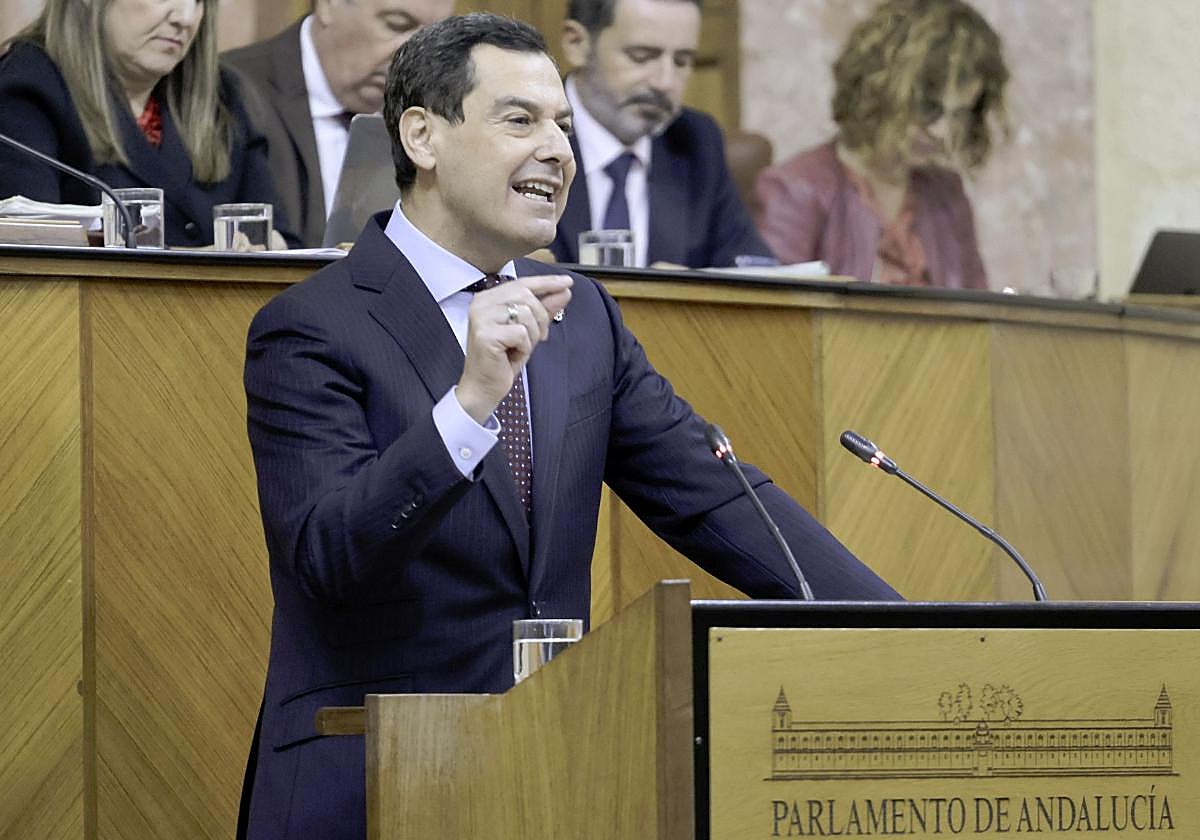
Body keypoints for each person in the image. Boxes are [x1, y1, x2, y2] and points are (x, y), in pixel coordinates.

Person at [240, 12, 899, 838]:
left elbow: (720, 500)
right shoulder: (312, 327)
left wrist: (909, 633)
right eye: (520, 120)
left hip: (554, 779)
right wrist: (468, 405)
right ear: (422, 137)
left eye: (561, 123)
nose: (558, 149)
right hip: (367, 785)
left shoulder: (581, 319)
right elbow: (328, 559)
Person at [0, 0, 293, 249]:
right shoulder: (29, 86)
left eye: (199, 0)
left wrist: (259, 246)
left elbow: (280, 238)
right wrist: (200, 266)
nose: (185, 18)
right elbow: (33, 254)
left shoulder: (222, 96)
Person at [755, 0, 1008, 288]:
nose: (942, 132)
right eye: (928, 108)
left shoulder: (948, 194)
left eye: (960, 114)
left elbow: (979, 317)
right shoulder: (795, 190)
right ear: (879, 91)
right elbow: (776, 324)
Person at [548, 0, 773, 268]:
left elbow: (751, 268)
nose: (664, 82)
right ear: (577, 44)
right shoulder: (527, 135)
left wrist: (690, 291)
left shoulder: (696, 141)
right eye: (642, 56)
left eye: (682, 61)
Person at [223, 0, 454, 248]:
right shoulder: (227, 91)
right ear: (328, 5)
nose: (414, 57)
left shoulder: (438, 107)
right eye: (397, 25)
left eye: (430, 39)